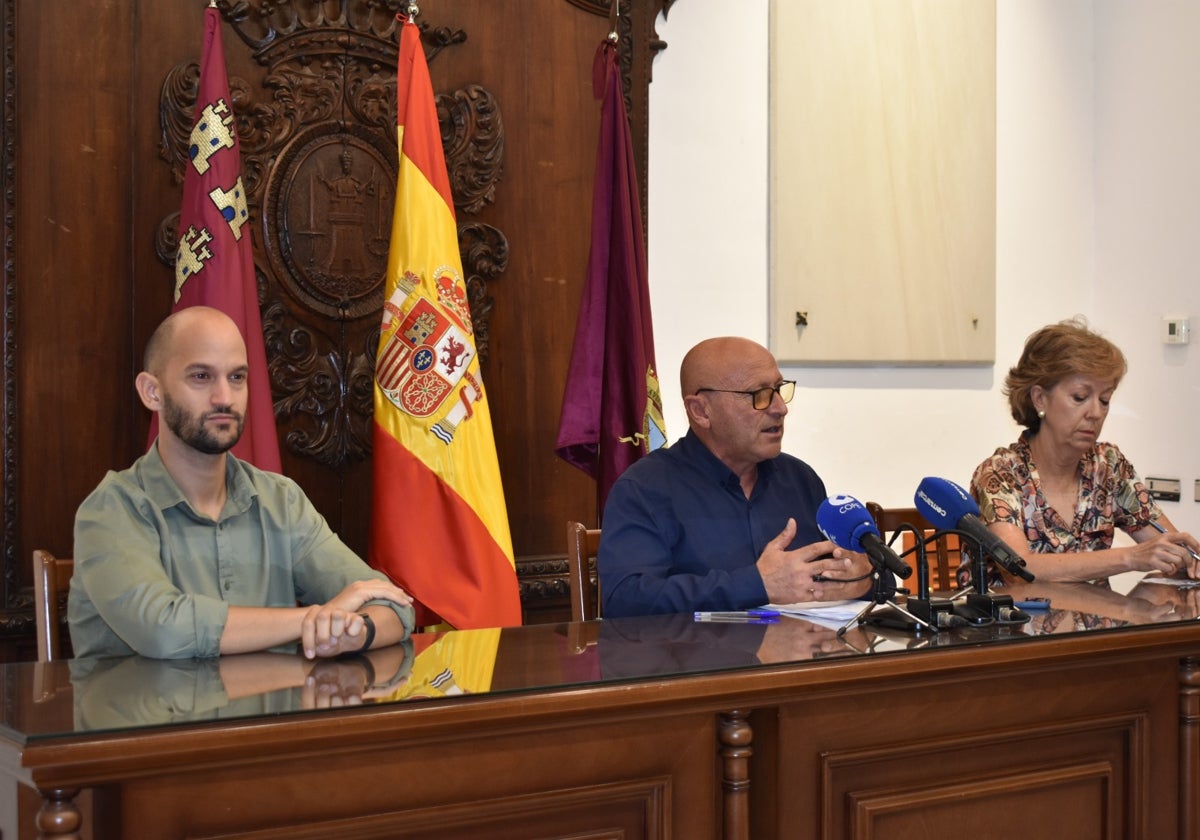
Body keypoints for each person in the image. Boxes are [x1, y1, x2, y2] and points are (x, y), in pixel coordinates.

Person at [70, 306, 415, 660]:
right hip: (145, 715)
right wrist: (313, 620)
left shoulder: (280, 501)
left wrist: (356, 633)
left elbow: (393, 605)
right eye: (201, 377)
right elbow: (165, 631)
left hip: (271, 714)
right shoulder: (111, 509)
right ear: (152, 392)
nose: (225, 398)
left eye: (237, 378)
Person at [599, 336, 878, 618]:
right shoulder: (644, 489)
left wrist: (861, 579)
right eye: (759, 394)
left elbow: (861, 580)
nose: (780, 408)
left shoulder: (800, 480)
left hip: (801, 656)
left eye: (779, 390)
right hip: (696, 659)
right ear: (701, 411)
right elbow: (626, 600)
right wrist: (756, 584)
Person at [969, 317, 1200, 587]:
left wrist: (1184, 557)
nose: (1096, 413)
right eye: (1080, 397)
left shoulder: (1108, 466)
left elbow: (1166, 549)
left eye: (1105, 400)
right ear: (1039, 398)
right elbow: (1019, 567)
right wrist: (1132, 558)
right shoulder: (999, 474)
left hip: (1100, 626)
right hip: (1010, 627)